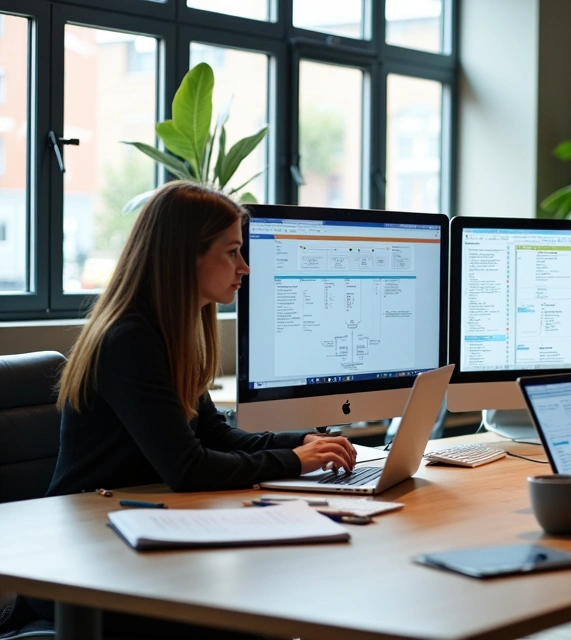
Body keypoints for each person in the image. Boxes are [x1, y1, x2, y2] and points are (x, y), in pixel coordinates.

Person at [0, 181, 357, 639]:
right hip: (84, 564)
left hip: (138, 535)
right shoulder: (129, 340)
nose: (244, 267)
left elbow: (217, 437)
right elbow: (188, 468)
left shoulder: (170, 333)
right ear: (184, 256)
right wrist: (293, 461)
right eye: (231, 252)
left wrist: (306, 443)